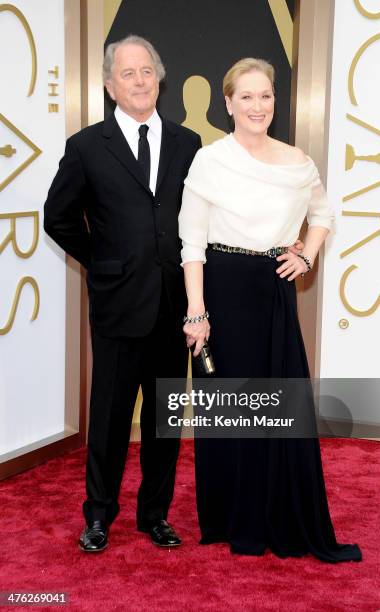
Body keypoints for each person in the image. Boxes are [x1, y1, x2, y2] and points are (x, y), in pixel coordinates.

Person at [178, 58, 362, 562]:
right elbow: (192, 242)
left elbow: (323, 215)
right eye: (247, 97)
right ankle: (233, 518)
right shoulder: (210, 161)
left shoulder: (298, 162)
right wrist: (196, 312)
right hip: (222, 286)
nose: (257, 106)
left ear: (274, 101)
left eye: (266, 96)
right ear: (229, 103)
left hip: (274, 293)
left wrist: (305, 253)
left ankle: (278, 513)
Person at [44, 35, 201, 552]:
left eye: (147, 72)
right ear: (110, 85)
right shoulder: (87, 146)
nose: (139, 81)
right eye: (127, 73)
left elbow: (202, 221)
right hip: (117, 305)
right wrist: (102, 261)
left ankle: (154, 514)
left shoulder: (188, 143)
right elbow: (58, 217)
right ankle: (98, 516)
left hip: (173, 306)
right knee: (109, 420)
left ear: (160, 79)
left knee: (163, 421)